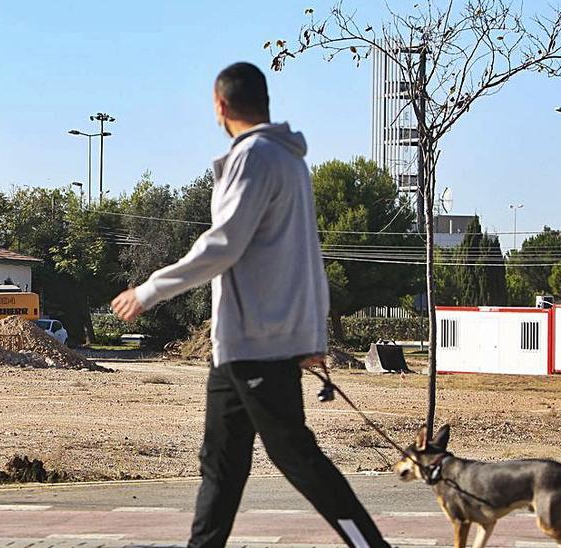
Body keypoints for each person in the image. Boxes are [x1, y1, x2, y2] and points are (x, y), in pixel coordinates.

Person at [111, 62, 389, 548]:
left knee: (295, 455)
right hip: (240, 344)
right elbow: (309, 257)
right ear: (264, 100)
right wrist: (313, 337)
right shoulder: (289, 161)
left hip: (257, 340)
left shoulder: (255, 156)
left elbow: (223, 246)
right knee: (221, 464)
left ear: (220, 105)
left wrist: (150, 290)